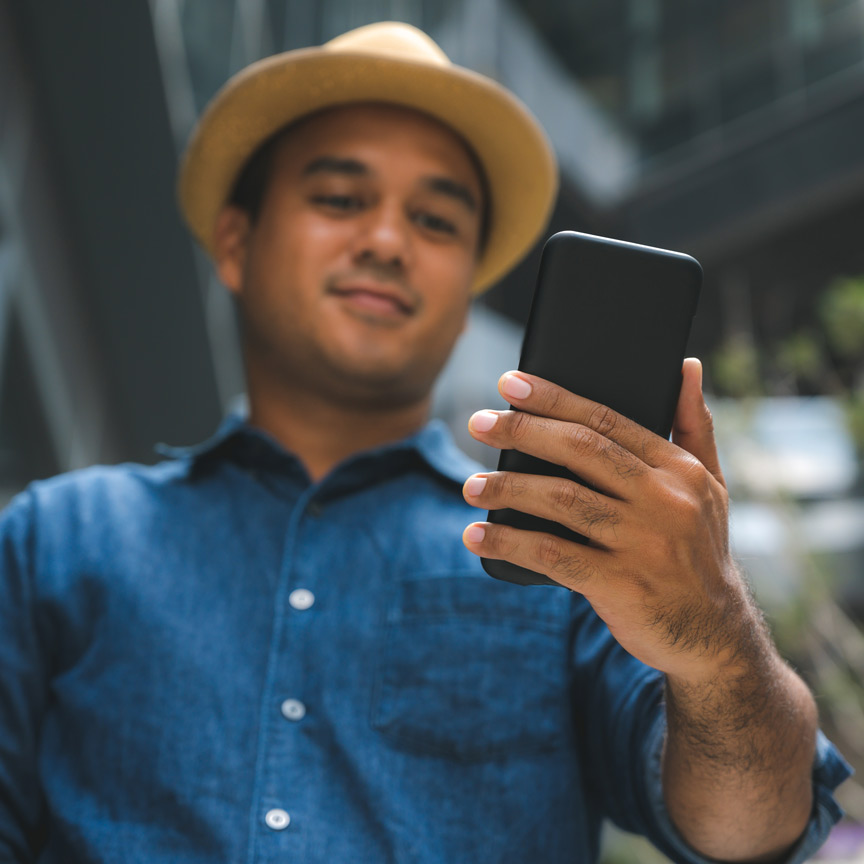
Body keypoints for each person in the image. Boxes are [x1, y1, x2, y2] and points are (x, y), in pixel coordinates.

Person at [0, 21, 850, 864]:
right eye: (339, 199)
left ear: (468, 281)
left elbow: (758, 830)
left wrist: (715, 639)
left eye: (438, 223)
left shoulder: (568, 557)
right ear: (236, 242)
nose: (388, 242)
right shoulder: (59, 539)